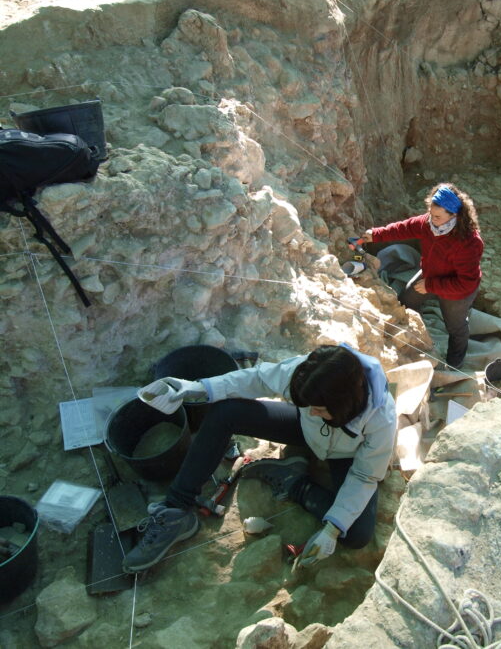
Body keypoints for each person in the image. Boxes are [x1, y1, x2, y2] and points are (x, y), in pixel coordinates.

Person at [122, 344, 397, 573]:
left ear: (343, 406)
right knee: (225, 412)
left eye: (319, 409)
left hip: (345, 455)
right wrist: (198, 388)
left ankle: (294, 483)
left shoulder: (381, 419)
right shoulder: (309, 373)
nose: (312, 411)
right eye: (308, 405)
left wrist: (333, 529)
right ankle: (176, 510)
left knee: (357, 533)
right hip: (304, 432)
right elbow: (257, 379)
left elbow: (365, 475)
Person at [362, 183, 482, 370]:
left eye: (437, 217)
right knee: (406, 301)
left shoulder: (469, 242)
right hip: (430, 275)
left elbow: (466, 284)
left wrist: (431, 286)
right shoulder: (429, 224)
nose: (432, 220)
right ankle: (409, 338)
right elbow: (404, 228)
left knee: (455, 328)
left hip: (456, 293)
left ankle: (454, 364)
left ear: (454, 215)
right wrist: (376, 235)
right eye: (431, 214)